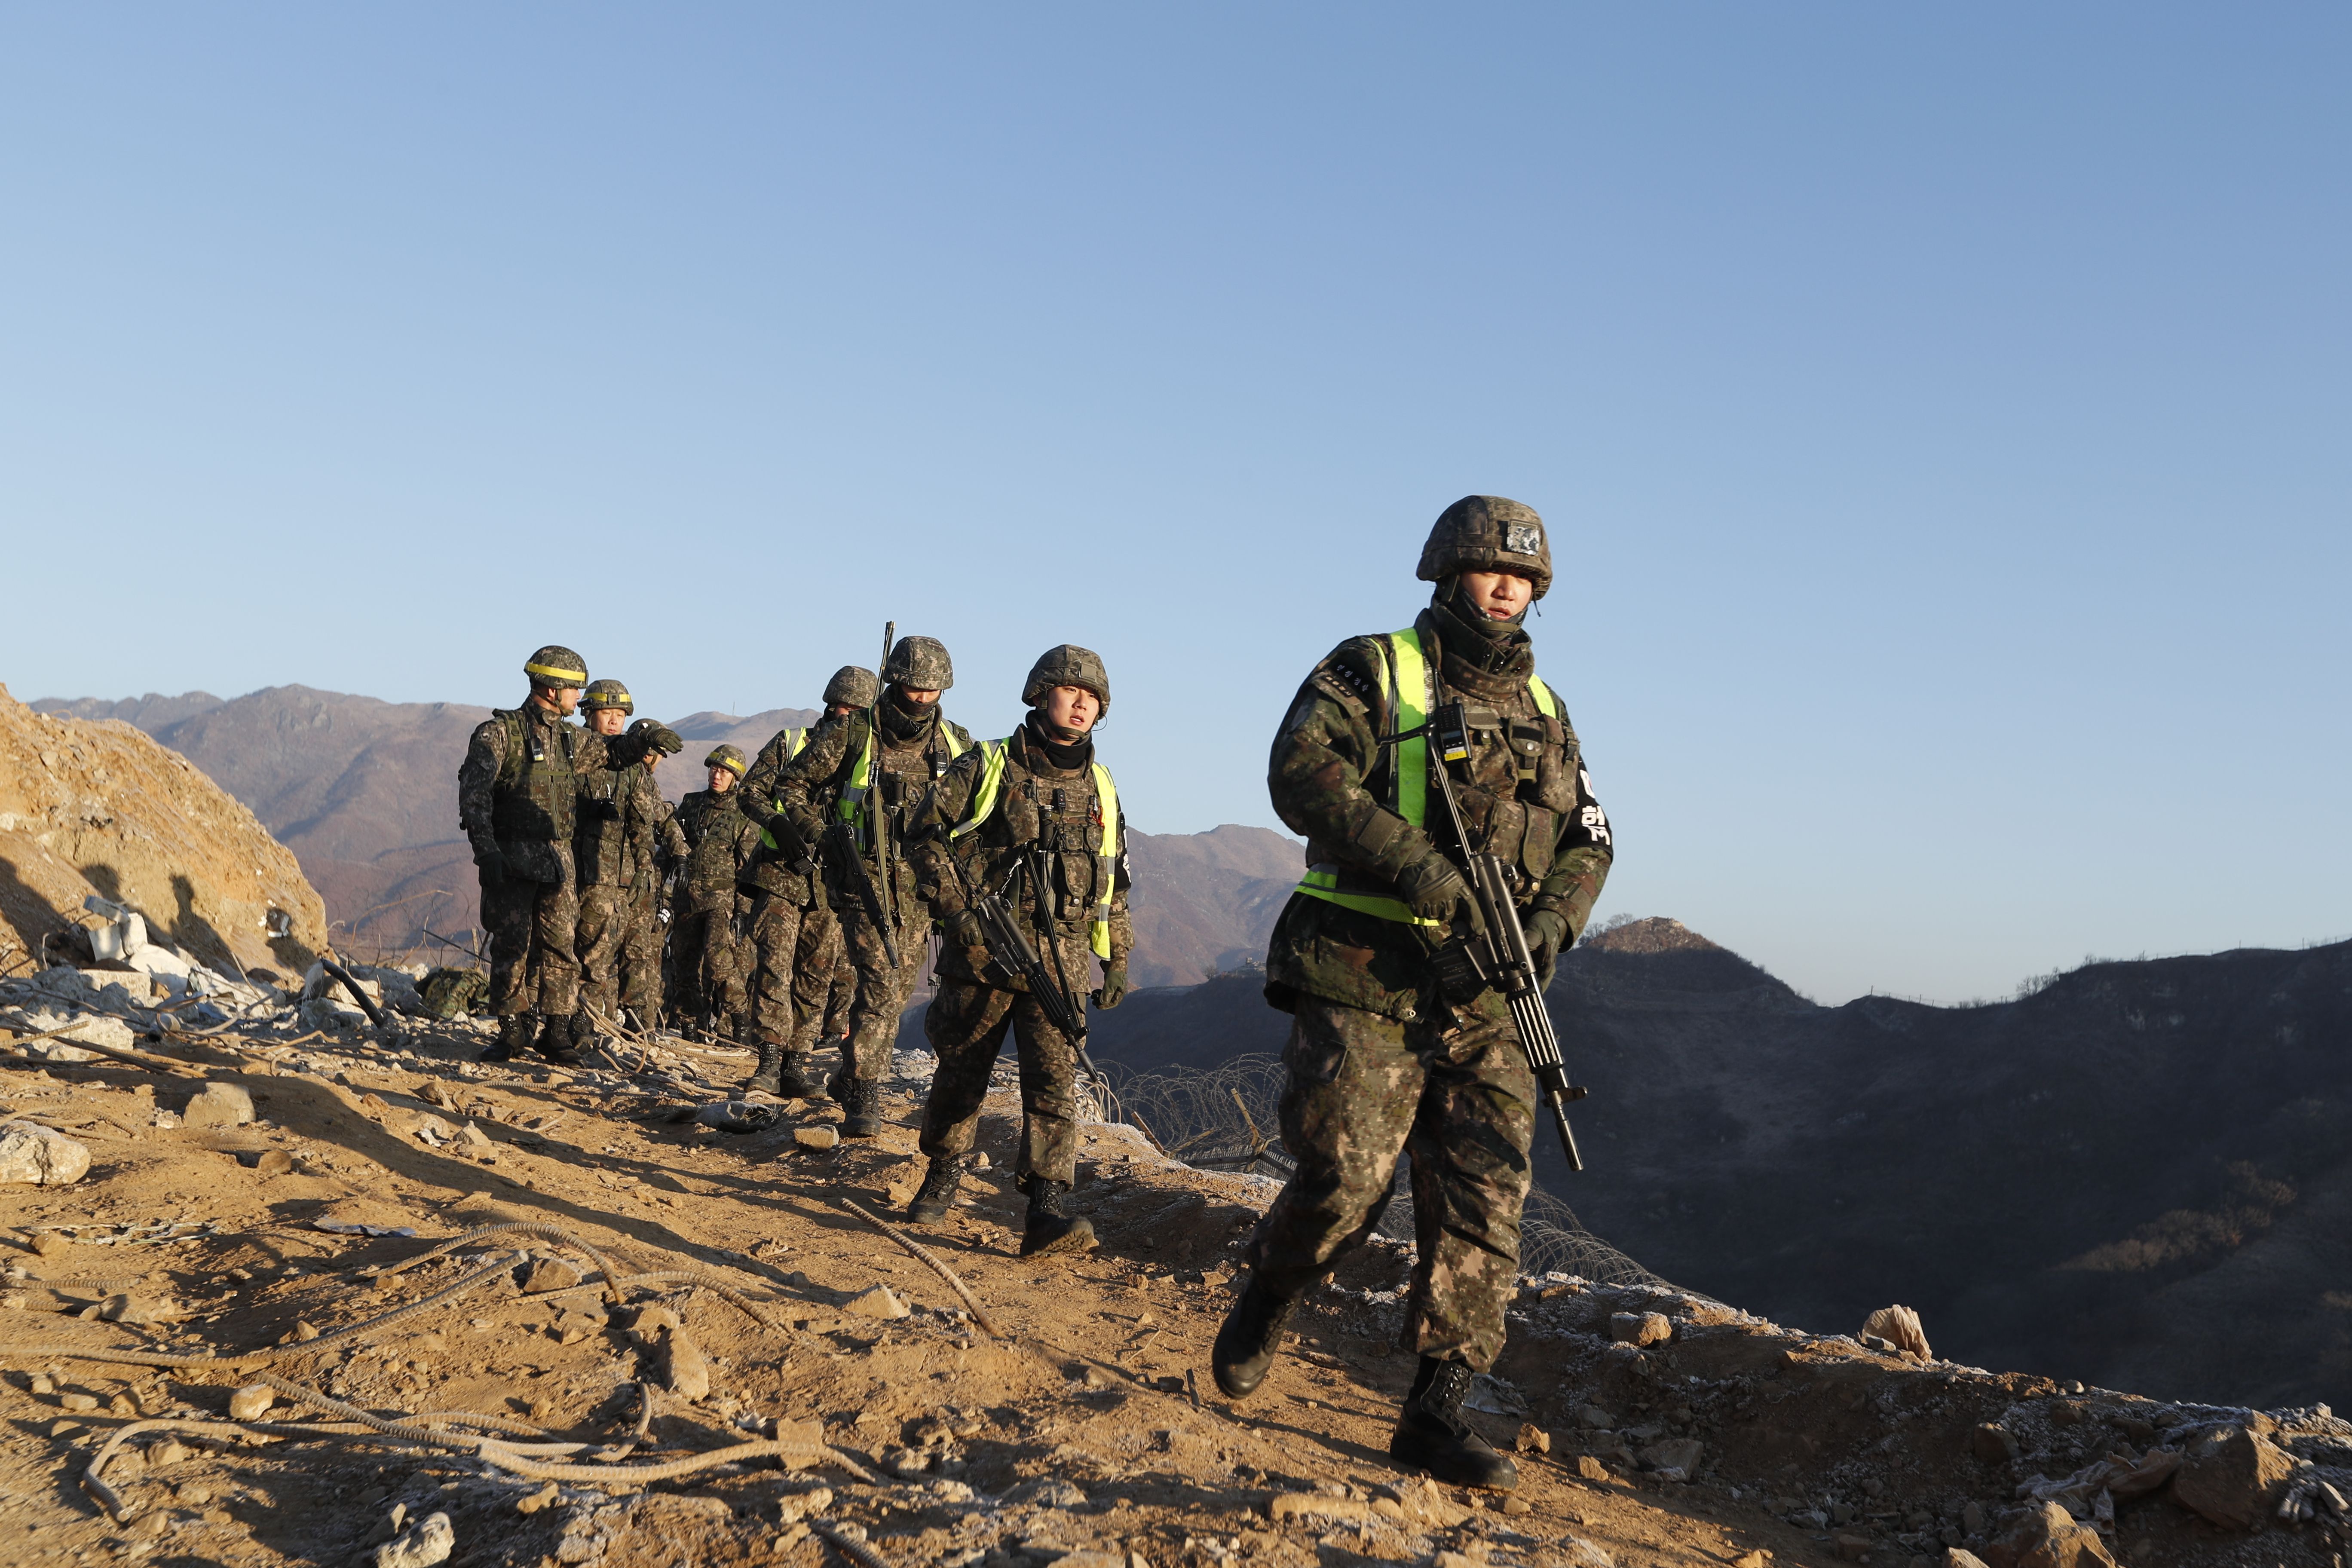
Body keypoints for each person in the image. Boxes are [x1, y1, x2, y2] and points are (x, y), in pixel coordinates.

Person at [1209, 497, 1613, 1491]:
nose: (1506, 588)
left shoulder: (1548, 712)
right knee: (1346, 1182)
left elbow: (1591, 837)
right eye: (1490, 569)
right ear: (1447, 570)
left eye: (1523, 577)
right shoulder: (1373, 668)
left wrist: (1554, 923)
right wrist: (1421, 867)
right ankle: (1271, 1288)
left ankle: (1436, 1411)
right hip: (1364, 968)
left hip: (1487, 990)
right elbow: (1300, 772)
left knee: (1485, 1196)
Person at [902, 645, 1133, 1258]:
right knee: (962, 1072)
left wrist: (1117, 958)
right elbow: (922, 834)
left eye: (1093, 697)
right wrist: (956, 909)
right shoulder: (988, 765)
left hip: (1060, 963)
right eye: (1071, 690)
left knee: (1054, 1087)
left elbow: (1114, 881)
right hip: (984, 951)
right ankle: (943, 1171)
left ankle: (1046, 1208)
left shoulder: (1102, 788)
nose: (1082, 704)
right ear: (1040, 693)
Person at [769, 637, 972, 1138]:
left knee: (896, 990)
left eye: (931, 689)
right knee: (881, 983)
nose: (922, 698)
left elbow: (973, 816)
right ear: (895, 681)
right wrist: (820, 834)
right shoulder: (853, 733)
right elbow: (790, 786)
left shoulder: (955, 744)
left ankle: (849, 1074)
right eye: (913, 687)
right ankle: (864, 1089)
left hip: (922, 890)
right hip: (863, 881)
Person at [456, 645, 681, 1064]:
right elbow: (474, 798)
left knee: (562, 947)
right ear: (551, 688)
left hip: (559, 862)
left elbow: (611, 754)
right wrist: (486, 852)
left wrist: (643, 740)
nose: (580, 698)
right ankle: (513, 1030)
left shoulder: (568, 739)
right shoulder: (499, 734)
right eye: (575, 689)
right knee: (513, 948)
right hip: (512, 858)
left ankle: (557, 1032)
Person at [735, 666, 874, 1099]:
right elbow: (750, 792)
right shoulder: (793, 742)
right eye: (842, 707)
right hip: (780, 873)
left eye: (857, 711)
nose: (846, 716)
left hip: (831, 883)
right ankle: (769, 1061)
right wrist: (778, 822)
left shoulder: (869, 759)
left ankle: (796, 1064)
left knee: (817, 974)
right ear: (830, 705)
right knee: (774, 968)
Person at [573, 680, 686, 1044]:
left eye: (620, 715)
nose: (613, 721)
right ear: (589, 713)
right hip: (588, 874)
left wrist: (669, 858)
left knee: (638, 957)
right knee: (592, 954)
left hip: (632, 881)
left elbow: (651, 817)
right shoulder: (574, 753)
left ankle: (639, 1031)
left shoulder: (635, 771)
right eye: (607, 713)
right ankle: (582, 1026)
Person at [671, 744, 764, 1042]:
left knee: (717, 959)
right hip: (686, 898)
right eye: (714, 768)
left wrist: (742, 912)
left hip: (720, 902)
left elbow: (747, 870)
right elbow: (672, 844)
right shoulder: (691, 804)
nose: (717, 775)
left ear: (735, 777)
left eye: (724, 771)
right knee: (684, 964)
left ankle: (739, 1017)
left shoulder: (743, 813)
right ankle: (690, 1027)